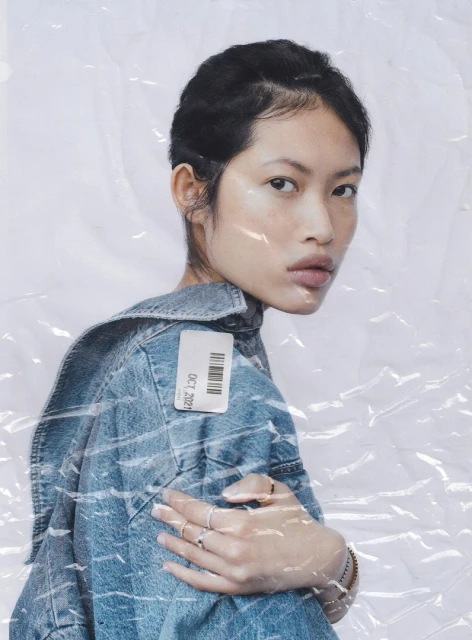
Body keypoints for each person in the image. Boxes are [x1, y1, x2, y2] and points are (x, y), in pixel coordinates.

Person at [10, 38, 371, 639]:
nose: (322, 227)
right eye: (283, 183)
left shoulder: (159, 359)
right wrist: (331, 563)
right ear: (192, 191)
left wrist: (333, 562)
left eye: (343, 189)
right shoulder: (201, 387)